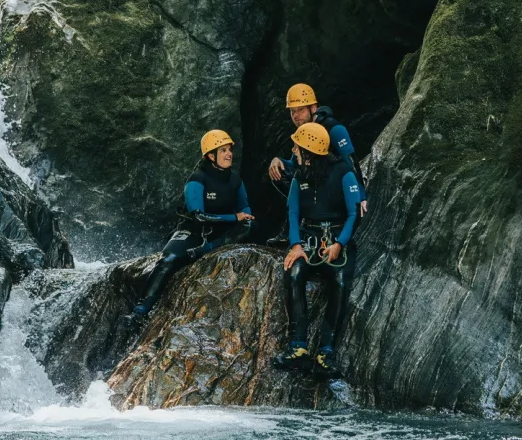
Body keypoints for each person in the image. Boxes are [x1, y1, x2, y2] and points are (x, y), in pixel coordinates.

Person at [271, 122, 363, 378]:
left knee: (340, 280)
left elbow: (355, 213)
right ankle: (298, 347)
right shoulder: (300, 176)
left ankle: (326, 352)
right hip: (309, 237)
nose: (293, 151)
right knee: (293, 272)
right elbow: (293, 213)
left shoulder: (343, 172)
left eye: (297, 148)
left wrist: (339, 244)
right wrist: (296, 245)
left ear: (308, 153)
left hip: (336, 237)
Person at [132, 130, 254, 318]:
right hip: (194, 231)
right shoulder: (197, 178)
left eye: (229, 150)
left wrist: (243, 217)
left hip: (220, 235)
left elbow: (245, 209)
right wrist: (233, 217)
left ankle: (205, 250)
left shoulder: (235, 180)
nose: (229, 154)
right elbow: (199, 216)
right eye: (223, 150)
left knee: (250, 226)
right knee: (168, 260)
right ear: (211, 155)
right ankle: (140, 310)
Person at [266, 83, 367, 245]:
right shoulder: (303, 132)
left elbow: (351, 162)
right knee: (279, 173)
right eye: (292, 111)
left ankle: (309, 221)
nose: (295, 116)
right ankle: (296, 226)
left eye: (300, 110)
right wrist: (277, 160)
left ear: (313, 108)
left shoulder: (333, 128)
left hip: (334, 186)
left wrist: (361, 196)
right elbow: (294, 165)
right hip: (314, 186)